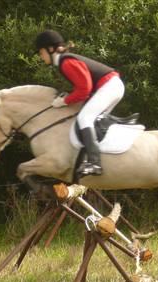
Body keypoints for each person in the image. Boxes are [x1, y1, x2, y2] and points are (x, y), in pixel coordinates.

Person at [35, 30, 124, 177]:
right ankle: (96, 158)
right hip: (111, 86)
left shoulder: (66, 62)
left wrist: (64, 101)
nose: (41, 56)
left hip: (110, 86)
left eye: (41, 52)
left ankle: (95, 163)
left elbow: (84, 89)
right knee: (91, 120)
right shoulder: (63, 61)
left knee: (85, 118)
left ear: (50, 49)